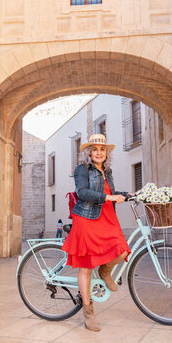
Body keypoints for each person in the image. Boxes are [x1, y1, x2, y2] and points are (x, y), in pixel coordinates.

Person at [61, 134, 132, 332]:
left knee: (123, 251)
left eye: (102, 149)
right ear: (89, 152)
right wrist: (109, 196)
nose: (99, 152)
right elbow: (83, 192)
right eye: (95, 149)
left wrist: (129, 195)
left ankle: (105, 270)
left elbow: (112, 191)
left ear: (106, 153)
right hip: (87, 218)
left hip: (107, 218)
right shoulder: (82, 169)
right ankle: (88, 312)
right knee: (85, 266)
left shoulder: (107, 171)